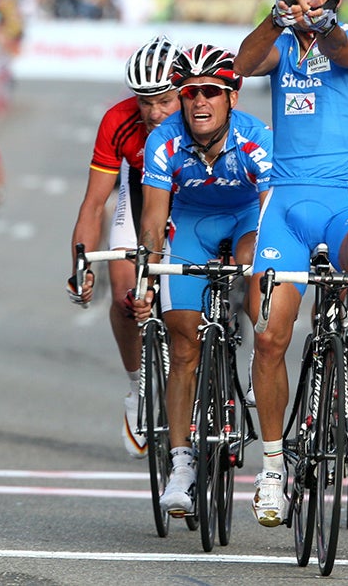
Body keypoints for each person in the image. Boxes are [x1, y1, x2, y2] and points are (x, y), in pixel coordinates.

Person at [233, 0, 348, 527]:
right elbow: (242, 65)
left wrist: (322, 24)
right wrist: (274, 19)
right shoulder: (278, 46)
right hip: (286, 205)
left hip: (343, 199)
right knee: (271, 337)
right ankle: (272, 469)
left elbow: (342, 47)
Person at [132, 43, 272, 517]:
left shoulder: (256, 137)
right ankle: (181, 464)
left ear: (232, 96)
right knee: (184, 346)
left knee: (257, 255)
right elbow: (153, 218)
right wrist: (148, 275)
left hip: (246, 219)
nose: (199, 103)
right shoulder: (164, 140)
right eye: (190, 93)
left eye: (211, 92)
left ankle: (257, 352)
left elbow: (272, 211)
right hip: (189, 226)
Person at [67, 36, 182, 458]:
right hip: (138, 194)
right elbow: (94, 202)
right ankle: (137, 389)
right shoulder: (117, 120)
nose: (154, 112)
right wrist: (81, 266)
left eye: (165, 100)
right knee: (123, 295)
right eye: (145, 101)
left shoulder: (200, 113)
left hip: (191, 195)